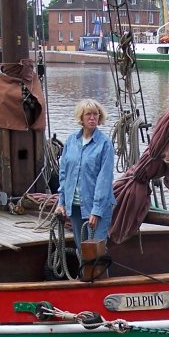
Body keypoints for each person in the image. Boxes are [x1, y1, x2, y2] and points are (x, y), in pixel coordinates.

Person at [54, 98, 116, 257]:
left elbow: (104, 180)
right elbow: (64, 174)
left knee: (96, 252)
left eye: (96, 114)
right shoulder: (71, 141)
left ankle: (101, 281)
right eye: (88, 114)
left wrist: (96, 211)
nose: (92, 118)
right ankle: (84, 281)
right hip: (74, 207)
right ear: (81, 117)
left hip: (96, 208)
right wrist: (61, 202)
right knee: (81, 250)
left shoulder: (105, 144)